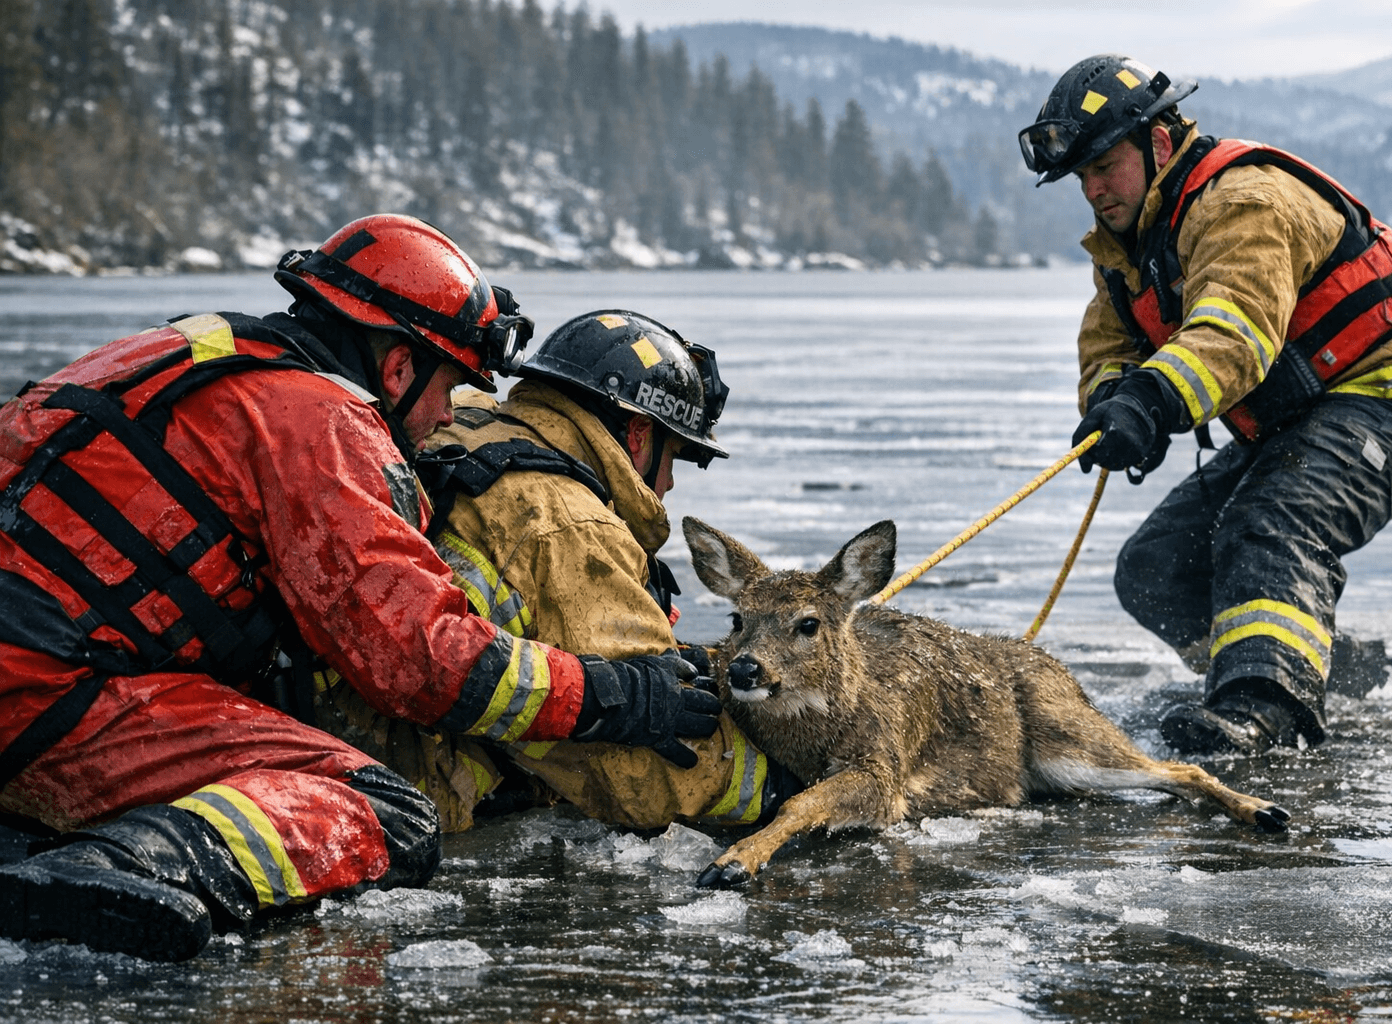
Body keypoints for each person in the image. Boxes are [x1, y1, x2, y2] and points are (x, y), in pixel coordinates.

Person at [0, 214, 716, 961]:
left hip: (49, 661)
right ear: (400, 367)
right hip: (48, 695)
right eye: (451, 387)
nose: (446, 418)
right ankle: (113, 868)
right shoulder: (323, 421)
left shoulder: (184, 351)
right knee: (386, 813)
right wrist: (615, 696)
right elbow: (426, 665)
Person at [1018, 55, 1392, 756]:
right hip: (1303, 415)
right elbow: (1109, 340)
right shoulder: (1127, 245)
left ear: (1158, 142)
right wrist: (1113, 396)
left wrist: (1156, 397)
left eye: (1105, 164)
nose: (1095, 189)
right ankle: (1318, 665)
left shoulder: (1241, 202)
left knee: (1270, 523)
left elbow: (1236, 333)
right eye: (1082, 176)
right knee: (1156, 566)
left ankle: (1263, 709)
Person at [318, 309, 799, 832]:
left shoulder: (463, 420)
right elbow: (645, 769)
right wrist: (790, 788)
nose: (670, 487)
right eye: (676, 457)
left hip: (332, 714)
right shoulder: (568, 526)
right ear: (638, 435)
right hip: (403, 779)